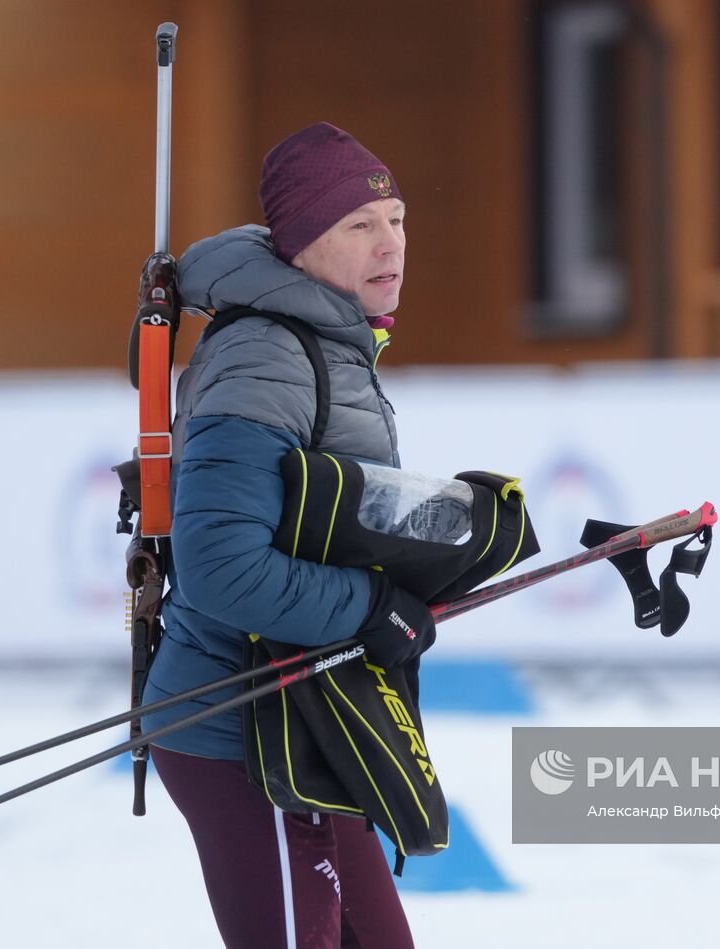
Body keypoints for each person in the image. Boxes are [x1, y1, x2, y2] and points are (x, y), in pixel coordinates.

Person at [141, 122, 435, 949]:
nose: (392, 244)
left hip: (307, 719)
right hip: (238, 729)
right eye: (360, 226)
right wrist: (373, 605)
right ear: (302, 245)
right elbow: (220, 568)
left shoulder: (330, 344)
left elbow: (326, 526)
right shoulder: (266, 355)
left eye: (399, 219)